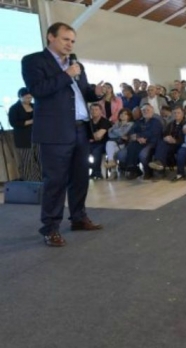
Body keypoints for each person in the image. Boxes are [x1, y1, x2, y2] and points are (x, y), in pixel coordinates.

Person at [21, 22, 104, 247]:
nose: (70, 44)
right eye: (66, 39)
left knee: (80, 178)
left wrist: (95, 93)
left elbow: (83, 93)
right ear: (51, 37)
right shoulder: (34, 61)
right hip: (55, 132)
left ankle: (78, 218)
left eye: (73, 41)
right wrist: (67, 74)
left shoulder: (77, 65)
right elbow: (38, 90)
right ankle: (50, 228)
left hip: (80, 128)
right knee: (55, 181)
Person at [8, 87, 40, 181]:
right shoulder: (14, 108)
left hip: (37, 137)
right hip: (23, 139)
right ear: (20, 97)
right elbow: (13, 123)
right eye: (26, 98)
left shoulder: (35, 106)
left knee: (40, 160)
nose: (29, 100)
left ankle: (41, 181)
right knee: (27, 161)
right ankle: (29, 181)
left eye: (30, 98)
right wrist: (30, 121)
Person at [87, 103, 111, 180]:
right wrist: (93, 137)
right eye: (92, 110)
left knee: (96, 151)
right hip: (90, 144)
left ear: (101, 111)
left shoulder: (105, 122)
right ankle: (91, 168)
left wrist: (91, 137)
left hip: (103, 144)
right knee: (80, 152)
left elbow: (99, 136)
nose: (94, 111)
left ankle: (97, 172)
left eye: (96, 109)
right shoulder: (88, 122)